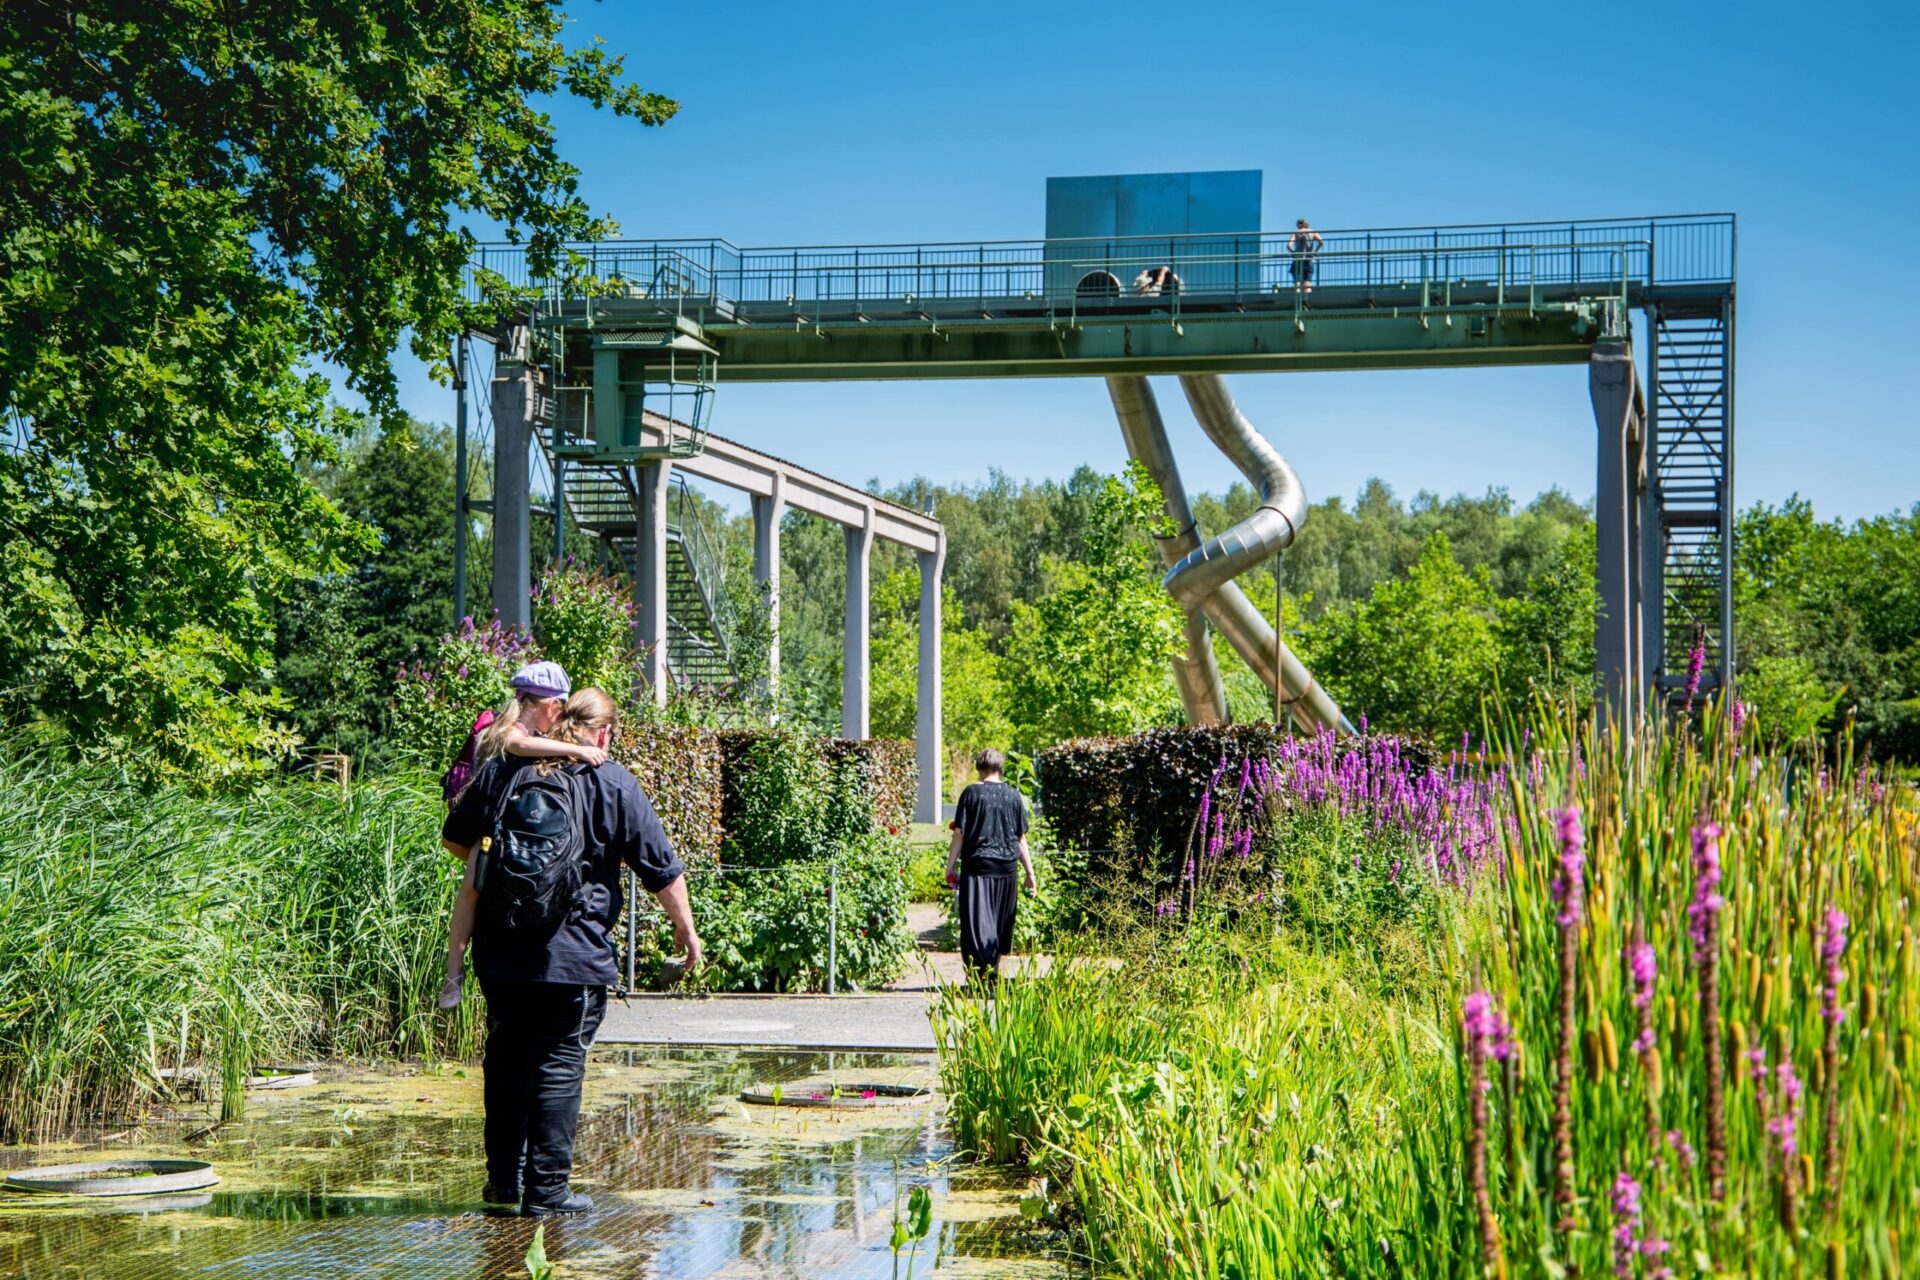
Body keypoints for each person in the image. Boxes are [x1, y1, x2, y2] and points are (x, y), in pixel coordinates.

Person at [441, 686, 701, 1217]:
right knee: (558, 1066)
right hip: (574, 956)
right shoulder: (612, 781)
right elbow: (662, 869)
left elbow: (455, 839)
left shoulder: (503, 771)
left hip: (502, 952)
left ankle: (503, 1185)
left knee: (506, 1064)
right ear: (603, 732)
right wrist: (687, 930)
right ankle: (547, 1194)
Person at [439, 661, 607, 1011]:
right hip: (486, 830)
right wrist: (577, 750)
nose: (560, 718)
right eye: (559, 709)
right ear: (547, 705)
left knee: (472, 890)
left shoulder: (536, 734)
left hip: (498, 829)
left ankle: (455, 973)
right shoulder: (506, 730)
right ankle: (453, 973)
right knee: (470, 889)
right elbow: (517, 746)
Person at [944, 749, 1037, 988]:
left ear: (979, 767)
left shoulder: (971, 793)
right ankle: (992, 973)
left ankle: (980, 976)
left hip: (978, 866)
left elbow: (959, 834)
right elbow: (1021, 839)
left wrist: (950, 865)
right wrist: (1030, 874)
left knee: (976, 921)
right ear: (1000, 767)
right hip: (1007, 868)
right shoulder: (1013, 795)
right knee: (999, 921)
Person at [1289, 219, 1324, 293]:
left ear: (1299, 224)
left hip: (1298, 259)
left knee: (1297, 284)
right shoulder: (1312, 232)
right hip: (1308, 258)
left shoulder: (1296, 232)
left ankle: (1297, 299)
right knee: (1307, 284)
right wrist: (1315, 251)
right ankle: (1306, 300)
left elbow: (1288, 245)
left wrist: (1294, 252)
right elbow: (1321, 242)